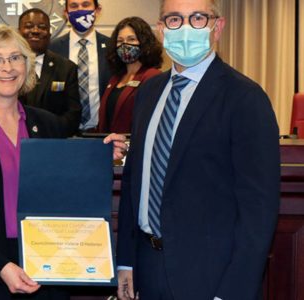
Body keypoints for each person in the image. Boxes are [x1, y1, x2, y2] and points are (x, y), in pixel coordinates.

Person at [0, 24, 126, 300]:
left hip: (44, 269)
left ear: (27, 66)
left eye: (16, 58)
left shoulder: (48, 124)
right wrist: (0, 267)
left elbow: (66, 191)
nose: (8, 67)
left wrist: (100, 159)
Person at [116, 0, 280, 300]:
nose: (187, 28)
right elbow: (133, 182)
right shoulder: (148, 93)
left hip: (212, 277)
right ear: (161, 30)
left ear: (217, 27)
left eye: (198, 18)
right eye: (175, 19)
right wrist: (126, 261)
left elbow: (259, 210)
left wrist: (232, 292)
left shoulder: (245, 98)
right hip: (148, 268)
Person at [49, 0, 112, 132]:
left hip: (102, 133)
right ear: (66, 13)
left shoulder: (112, 47)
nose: (80, 10)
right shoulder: (52, 48)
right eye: (74, 6)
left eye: (85, 5)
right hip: (64, 133)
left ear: (97, 10)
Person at [18, 8, 81, 136]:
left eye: (42, 27)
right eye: (29, 26)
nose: (35, 31)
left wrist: (46, 130)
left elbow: (73, 114)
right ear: (18, 33)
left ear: (49, 33)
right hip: (14, 141)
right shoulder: (6, 67)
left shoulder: (66, 68)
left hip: (53, 141)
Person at [98, 16, 163, 134]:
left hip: (134, 147)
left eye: (131, 39)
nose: (125, 45)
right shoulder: (115, 79)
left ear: (144, 43)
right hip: (108, 147)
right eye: (120, 41)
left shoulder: (153, 77)